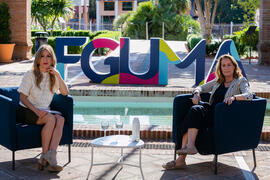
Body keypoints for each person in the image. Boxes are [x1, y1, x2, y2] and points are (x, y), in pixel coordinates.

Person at [162, 54, 253, 170]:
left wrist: (234, 97)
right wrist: (196, 94)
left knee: (194, 113)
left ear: (234, 67)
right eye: (223, 65)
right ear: (220, 68)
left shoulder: (240, 81)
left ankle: (182, 158)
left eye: (229, 65)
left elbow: (249, 95)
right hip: (210, 112)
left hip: (223, 116)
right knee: (192, 113)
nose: (226, 68)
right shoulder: (218, 81)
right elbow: (200, 87)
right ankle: (186, 151)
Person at [16, 44, 69, 172]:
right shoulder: (30, 74)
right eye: (42, 56)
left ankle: (51, 155)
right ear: (38, 59)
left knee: (60, 120)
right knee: (51, 119)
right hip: (27, 110)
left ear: (52, 59)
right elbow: (22, 98)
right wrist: (37, 111)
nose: (45, 59)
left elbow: (65, 92)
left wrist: (58, 75)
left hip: (45, 110)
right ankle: (45, 157)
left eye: (48, 56)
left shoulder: (53, 75)